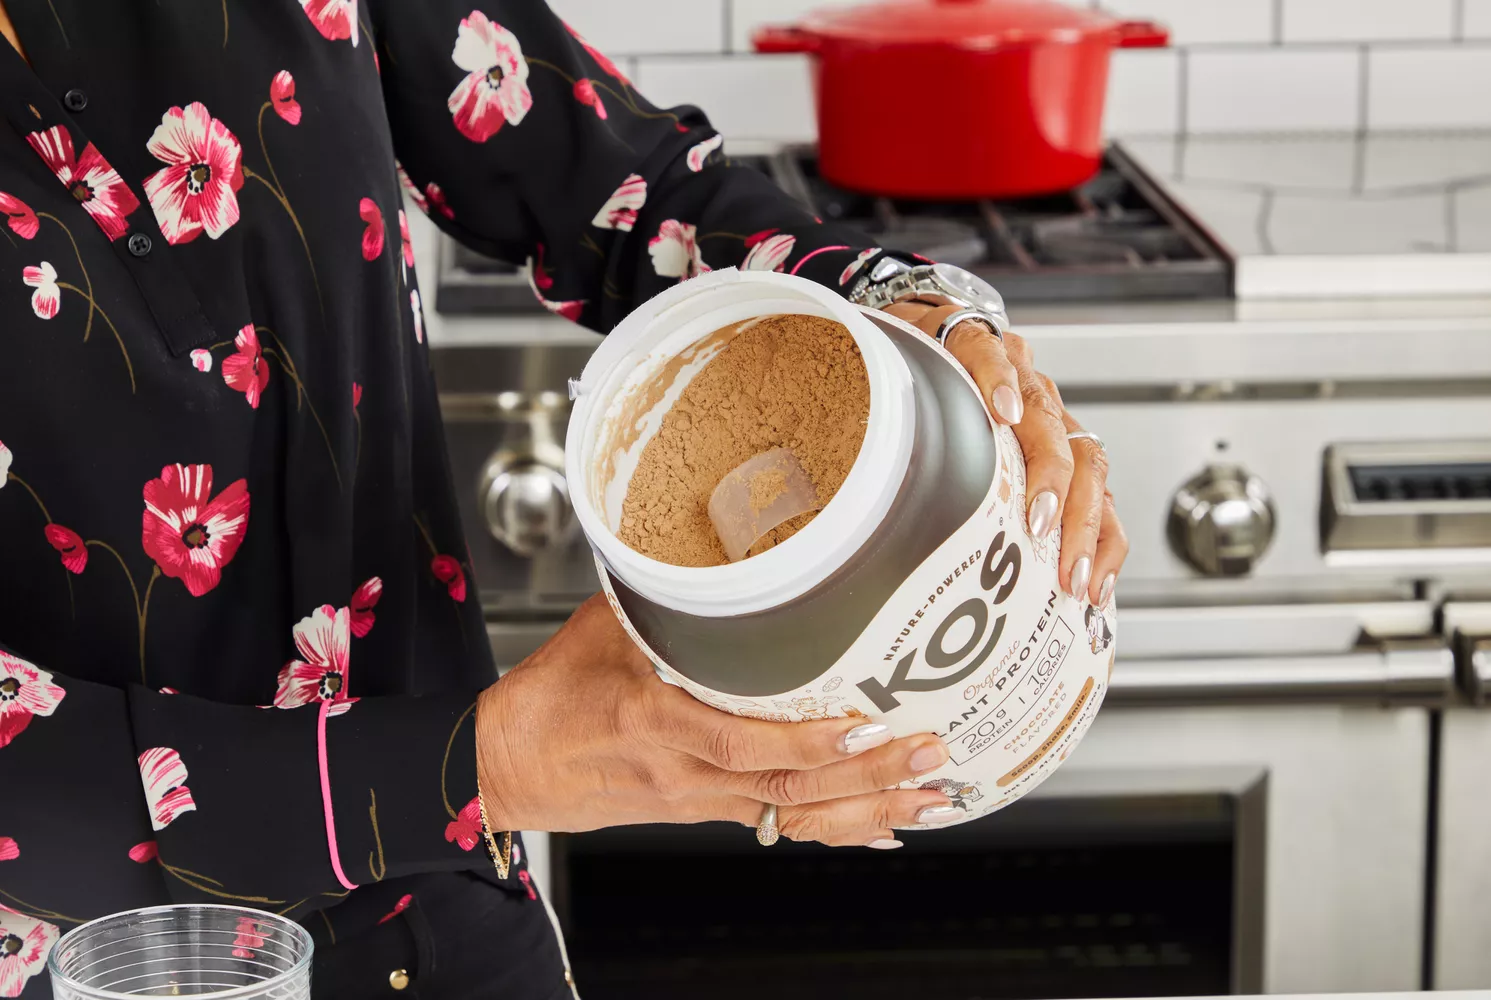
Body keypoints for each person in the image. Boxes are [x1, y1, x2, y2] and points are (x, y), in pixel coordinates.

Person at [0, 1, 1126, 996]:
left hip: (440, 916)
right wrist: (480, 764)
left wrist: (915, 312)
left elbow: (623, 188)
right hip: (84, 967)